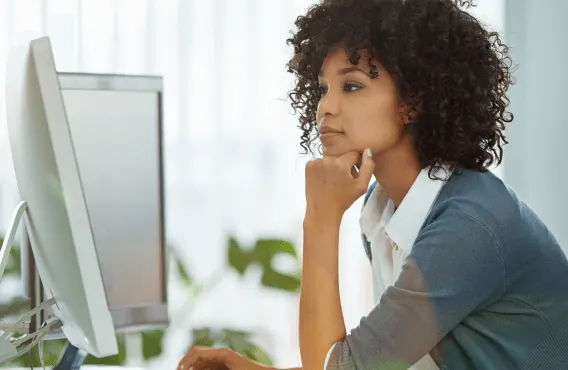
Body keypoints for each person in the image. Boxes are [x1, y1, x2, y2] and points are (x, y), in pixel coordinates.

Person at [176, 0, 568, 369]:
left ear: (413, 100)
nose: (325, 107)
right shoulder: (382, 210)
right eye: (323, 88)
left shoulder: (470, 225)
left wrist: (321, 218)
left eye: (351, 86)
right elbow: (381, 360)